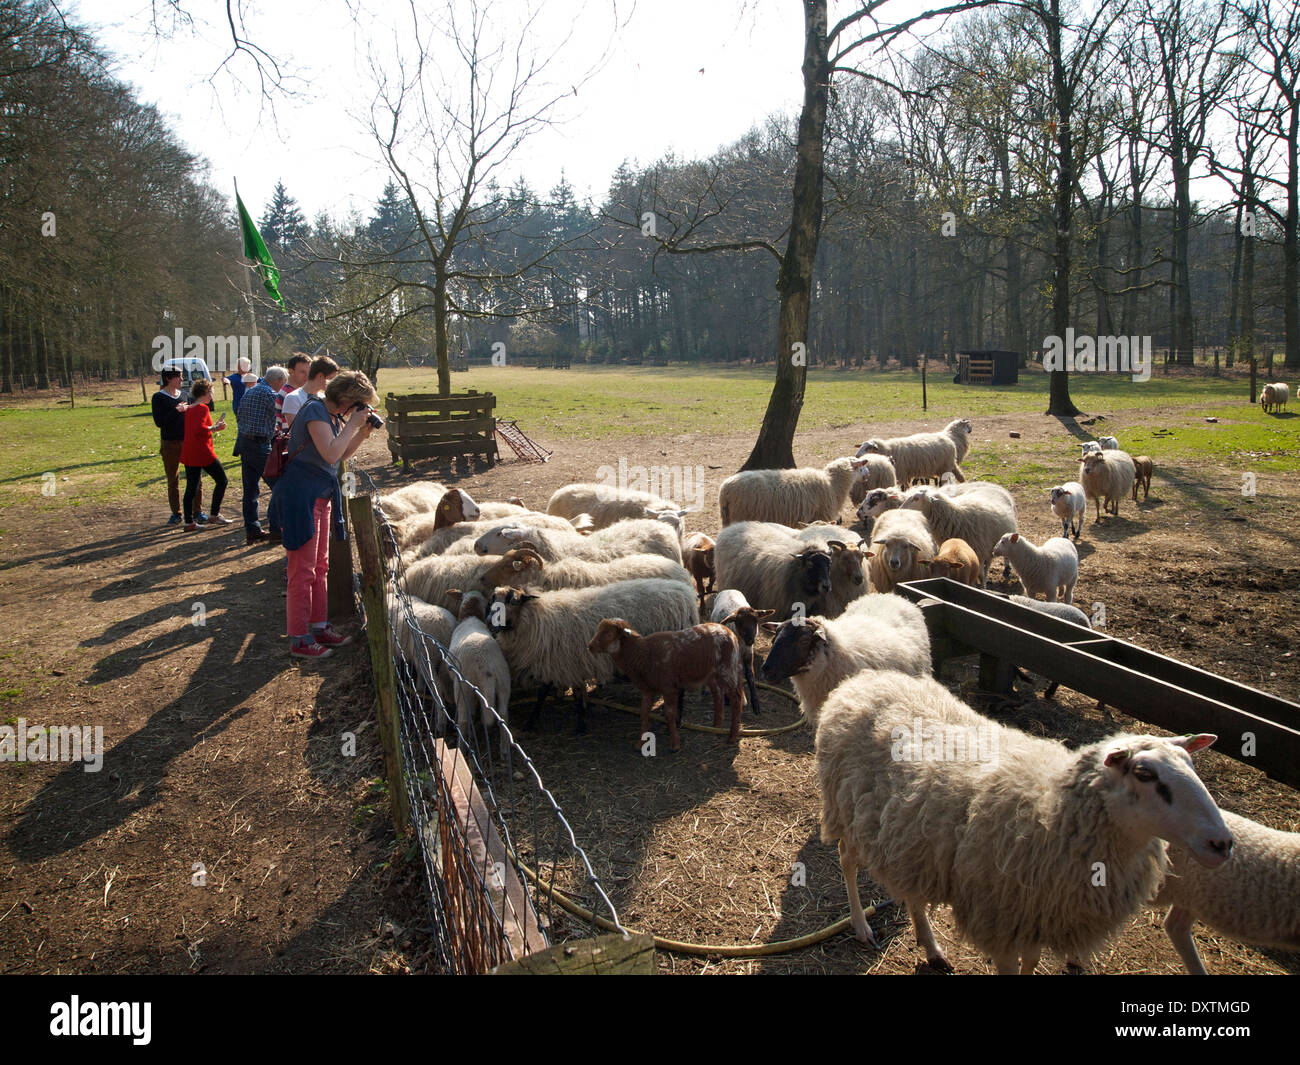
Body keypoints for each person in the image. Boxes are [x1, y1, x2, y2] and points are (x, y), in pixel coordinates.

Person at [269, 370, 378, 659]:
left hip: (319, 495)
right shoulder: (315, 410)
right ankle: (299, 639)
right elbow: (330, 454)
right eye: (357, 405)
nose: (357, 411)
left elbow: (340, 455)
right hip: (300, 497)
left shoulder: (330, 415)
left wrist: (362, 432)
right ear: (346, 400)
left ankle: (318, 625)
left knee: (320, 566)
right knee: (301, 572)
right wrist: (353, 423)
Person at [234, 365, 286, 545]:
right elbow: (281, 417)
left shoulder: (251, 390)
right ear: (278, 381)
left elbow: (240, 415)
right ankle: (276, 529)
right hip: (258, 444)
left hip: (244, 441)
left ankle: (253, 529)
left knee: (250, 489)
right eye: (283, 383)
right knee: (279, 486)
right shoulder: (271, 395)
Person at [180, 379, 232, 531]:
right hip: (202, 452)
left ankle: (189, 522)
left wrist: (214, 427)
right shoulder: (202, 408)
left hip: (190, 451)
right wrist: (216, 427)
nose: (212, 395)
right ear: (205, 393)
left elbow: (200, 428)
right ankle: (214, 514)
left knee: (191, 487)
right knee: (222, 480)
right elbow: (200, 429)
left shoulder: (190, 408)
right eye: (211, 392)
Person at [152, 367, 201, 525]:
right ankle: (176, 513)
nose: (182, 380)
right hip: (170, 443)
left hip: (188, 441)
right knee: (173, 479)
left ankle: (197, 511)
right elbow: (159, 422)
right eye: (179, 377)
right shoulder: (158, 398)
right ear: (168, 379)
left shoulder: (185, 395)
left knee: (195, 477)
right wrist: (177, 410)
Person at [282, 355, 338, 428]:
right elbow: (297, 431)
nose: (333, 383)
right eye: (331, 378)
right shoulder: (293, 398)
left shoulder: (324, 398)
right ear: (320, 376)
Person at [277, 353, 310, 432]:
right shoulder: (289, 394)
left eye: (309, 372)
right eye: (302, 372)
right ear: (291, 371)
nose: (307, 375)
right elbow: (292, 429)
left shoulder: (295, 391)